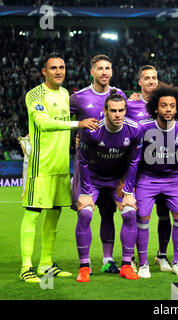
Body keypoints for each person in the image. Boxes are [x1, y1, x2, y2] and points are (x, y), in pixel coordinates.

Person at [20, 53, 98, 283]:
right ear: (44, 71)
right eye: (53, 68)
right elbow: (43, 123)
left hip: (61, 166)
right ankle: (26, 266)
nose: (58, 71)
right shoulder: (35, 94)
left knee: (54, 215)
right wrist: (77, 124)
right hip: (40, 166)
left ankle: (45, 263)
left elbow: (87, 110)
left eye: (62, 67)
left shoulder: (65, 94)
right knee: (33, 213)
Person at [75, 90, 143, 282]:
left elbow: (133, 162)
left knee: (130, 212)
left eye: (121, 110)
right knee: (85, 213)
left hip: (116, 181)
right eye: (113, 111)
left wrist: (128, 191)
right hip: (94, 179)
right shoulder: (92, 131)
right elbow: (84, 162)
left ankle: (126, 265)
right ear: (104, 111)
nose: (118, 114)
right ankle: (84, 267)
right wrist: (86, 193)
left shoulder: (135, 129)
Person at [70, 54, 128, 274]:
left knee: (108, 213)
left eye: (108, 68)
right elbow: (63, 117)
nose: (104, 72)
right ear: (92, 71)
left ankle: (107, 260)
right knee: (84, 212)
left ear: (112, 71)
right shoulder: (79, 97)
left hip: (113, 163)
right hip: (87, 164)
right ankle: (84, 264)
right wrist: (75, 134)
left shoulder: (119, 96)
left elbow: (127, 126)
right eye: (100, 68)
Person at [135, 84, 178, 278]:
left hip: (173, 178)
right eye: (164, 105)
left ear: (177, 108)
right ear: (156, 108)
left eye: (172, 106)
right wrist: (128, 184)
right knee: (142, 217)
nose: (168, 109)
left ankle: (177, 262)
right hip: (147, 178)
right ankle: (143, 264)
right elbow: (134, 158)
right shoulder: (143, 127)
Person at [126, 65, 172, 272]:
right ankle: (133, 257)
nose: (152, 81)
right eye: (147, 78)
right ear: (140, 82)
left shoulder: (167, 102)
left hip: (165, 166)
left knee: (165, 214)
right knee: (138, 215)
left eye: (154, 77)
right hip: (140, 169)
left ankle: (161, 256)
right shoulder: (130, 104)